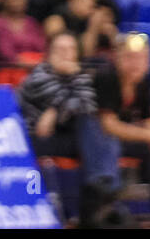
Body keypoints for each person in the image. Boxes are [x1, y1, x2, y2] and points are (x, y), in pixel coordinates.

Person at [80, 32, 150, 228]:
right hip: (89, 140)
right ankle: (104, 208)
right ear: (117, 58)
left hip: (117, 138)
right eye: (129, 57)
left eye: (141, 58)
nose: (135, 63)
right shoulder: (107, 77)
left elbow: (148, 120)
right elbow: (109, 124)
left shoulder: (142, 82)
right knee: (106, 137)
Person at [17, 30, 96, 159]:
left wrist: (53, 110)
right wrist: (57, 108)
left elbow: (88, 106)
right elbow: (68, 108)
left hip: (67, 135)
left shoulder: (79, 77)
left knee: (93, 127)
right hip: (37, 139)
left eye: (71, 49)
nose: (65, 54)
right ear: (48, 54)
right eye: (59, 49)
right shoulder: (38, 77)